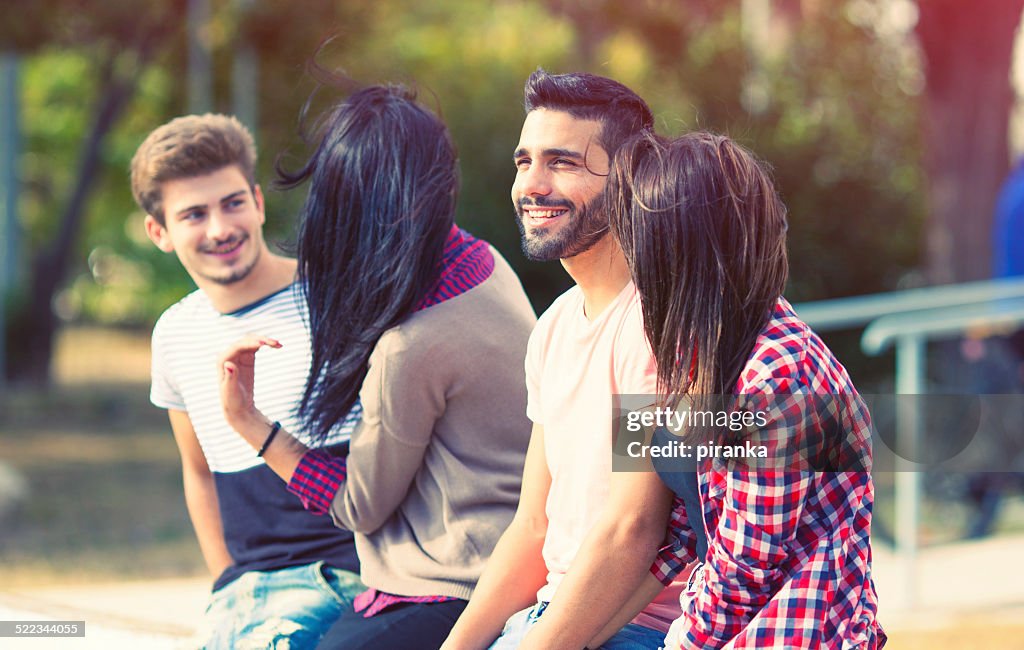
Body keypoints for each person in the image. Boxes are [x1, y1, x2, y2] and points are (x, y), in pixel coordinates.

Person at [218, 84, 536, 650]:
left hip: (450, 588)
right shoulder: (483, 261)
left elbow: (358, 505)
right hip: (508, 566)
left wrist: (248, 422)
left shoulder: (411, 345)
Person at [604, 131, 885, 648]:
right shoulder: (699, 349)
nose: (633, 263)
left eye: (643, 242)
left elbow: (744, 574)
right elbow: (683, 531)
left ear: (684, 250)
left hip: (789, 632)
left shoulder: (777, 377)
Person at [442, 69, 687, 650]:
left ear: (627, 178)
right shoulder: (552, 328)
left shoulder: (657, 324)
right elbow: (533, 529)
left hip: (636, 630)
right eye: (524, 161)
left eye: (563, 162)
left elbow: (634, 530)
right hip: (551, 616)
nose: (533, 183)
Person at [132, 113, 364, 648]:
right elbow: (199, 472)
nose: (220, 228)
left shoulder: (333, 297)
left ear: (258, 203)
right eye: (193, 214)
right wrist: (224, 580)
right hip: (243, 596)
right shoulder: (173, 334)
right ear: (159, 232)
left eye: (232, 203)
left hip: (342, 581)